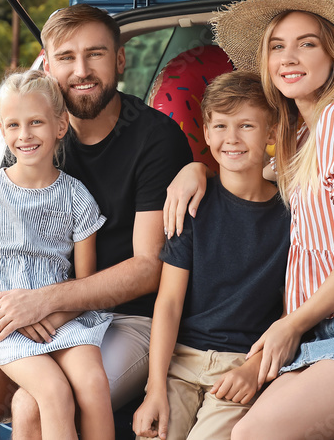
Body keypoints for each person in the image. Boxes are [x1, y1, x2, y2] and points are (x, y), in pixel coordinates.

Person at [169, 0, 334, 440]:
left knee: (252, 435)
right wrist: (195, 167)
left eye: (306, 44)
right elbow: (249, 166)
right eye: (277, 47)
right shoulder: (304, 140)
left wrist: (288, 325)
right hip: (326, 334)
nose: (289, 57)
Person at [0, 4, 193, 439]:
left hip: (125, 319)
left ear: (119, 60)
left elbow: (147, 267)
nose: (81, 70)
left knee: (33, 406)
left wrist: (47, 303)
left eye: (95, 54)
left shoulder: (155, 139)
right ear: (48, 65)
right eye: (66, 57)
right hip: (30, 312)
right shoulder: (29, 133)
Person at [0, 69, 114, 440]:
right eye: (13, 125)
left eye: (36, 122)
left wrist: (50, 315)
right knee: (53, 392)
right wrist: (12, 310)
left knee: (94, 383)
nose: (25, 135)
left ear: (60, 125)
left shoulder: (76, 197)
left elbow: (84, 285)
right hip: (1, 323)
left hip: (60, 316)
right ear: (2, 132)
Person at [132, 70, 290, 440]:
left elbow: (291, 309)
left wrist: (255, 369)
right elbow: (168, 302)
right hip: (180, 361)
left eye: (246, 126)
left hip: (242, 364)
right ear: (205, 132)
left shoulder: (293, 214)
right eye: (220, 126)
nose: (231, 139)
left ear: (270, 133)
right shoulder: (192, 205)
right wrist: (154, 388)